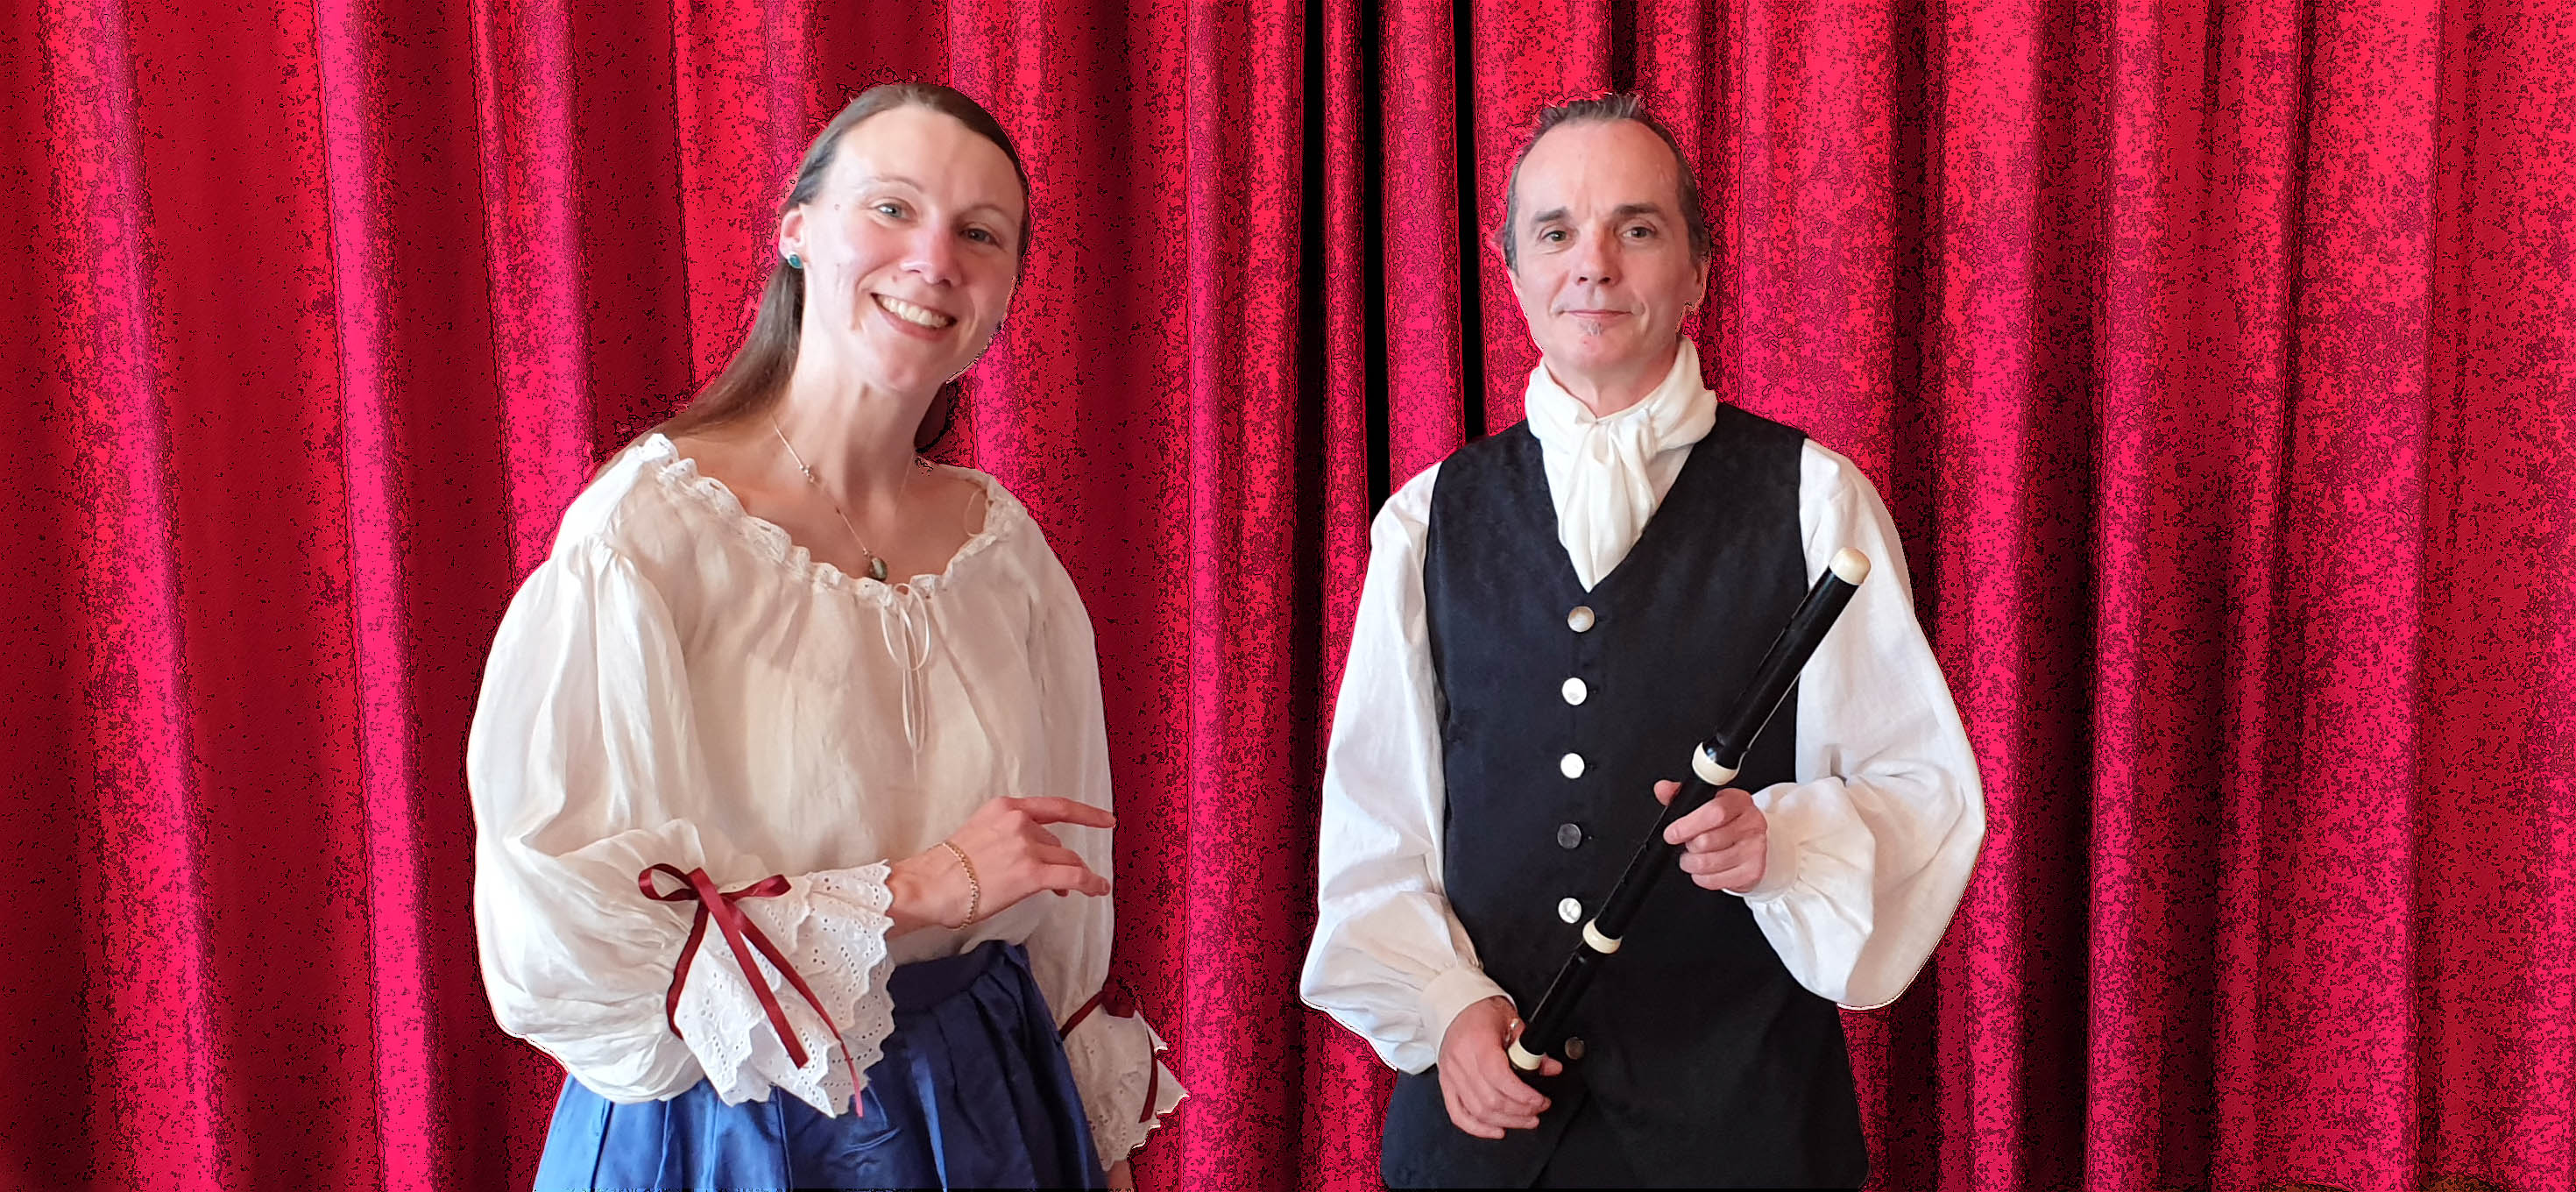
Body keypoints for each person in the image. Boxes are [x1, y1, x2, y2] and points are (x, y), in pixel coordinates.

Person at [469, 82, 1182, 1192]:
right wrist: (916, 890)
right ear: (797, 231)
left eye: (980, 233)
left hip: (993, 1118)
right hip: (736, 1131)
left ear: (1007, 291)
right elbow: (558, 926)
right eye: (892, 208)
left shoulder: (1010, 559)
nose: (933, 259)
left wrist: (1095, 1145)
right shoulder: (646, 536)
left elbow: (1060, 917)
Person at [1300, 93, 1985, 1188]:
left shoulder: (1816, 499)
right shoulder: (1425, 522)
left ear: (1699, 269)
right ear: (1511, 271)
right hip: (1491, 1147)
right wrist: (1449, 1006)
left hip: (1744, 1133)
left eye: (1638, 226)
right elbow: (1375, 832)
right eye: (1555, 232)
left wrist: (1783, 844)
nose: (1594, 264)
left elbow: (1922, 791)